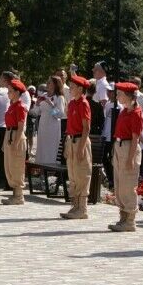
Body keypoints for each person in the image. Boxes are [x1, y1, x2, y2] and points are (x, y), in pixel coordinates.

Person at [108, 81, 143, 232]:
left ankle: (129, 220)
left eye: (120, 94)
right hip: (120, 146)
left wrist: (130, 159)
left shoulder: (136, 113)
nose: (117, 96)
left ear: (129, 96)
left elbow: (136, 138)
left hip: (129, 148)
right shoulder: (124, 111)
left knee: (128, 185)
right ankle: (122, 217)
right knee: (120, 185)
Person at [60, 75, 93, 220]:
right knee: (73, 174)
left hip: (80, 140)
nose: (70, 89)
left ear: (80, 89)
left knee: (82, 174)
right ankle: (75, 206)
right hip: (71, 140)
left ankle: (82, 208)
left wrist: (81, 147)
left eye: (72, 87)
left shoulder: (84, 103)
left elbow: (86, 128)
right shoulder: (72, 103)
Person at [1, 72, 29, 205]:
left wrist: (16, 143)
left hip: (16, 135)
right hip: (9, 134)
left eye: (10, 91)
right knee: (9, 165)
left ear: (17, 92)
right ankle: (15, 194)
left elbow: (21, 126)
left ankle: (19, 196)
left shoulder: (20, 107)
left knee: (16, 165)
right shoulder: (12, 106)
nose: (8, 93)